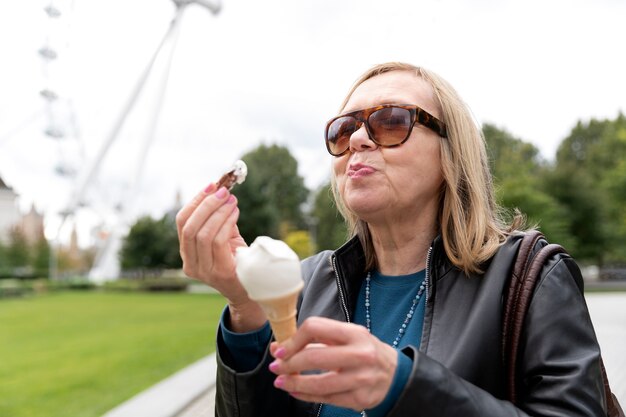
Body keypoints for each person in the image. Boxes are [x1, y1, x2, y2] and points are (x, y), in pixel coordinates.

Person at [176, 62, 607, 416]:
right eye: (343, 130)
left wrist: (405, 385)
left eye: (390, 121)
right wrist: (246, 307)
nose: (359, 140)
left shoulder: (529, 277)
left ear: (451, 153)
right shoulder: (305, 284)